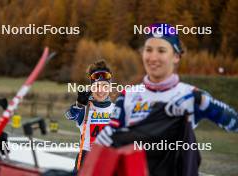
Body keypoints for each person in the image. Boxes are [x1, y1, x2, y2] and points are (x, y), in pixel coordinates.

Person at [95, 23, 238, 175]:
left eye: (161, 50)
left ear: (176, 56)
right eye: (148, 50)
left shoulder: (190, 94)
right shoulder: (127, 95)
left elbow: (234, 122)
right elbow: (108, 140)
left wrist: (203, 102)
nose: (153, 57)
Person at [64, 60, 115, 173]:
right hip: (86, 159)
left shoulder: (116, 109)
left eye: (105, 86)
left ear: (110, 87)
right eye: (96, 86)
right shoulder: (85, 109)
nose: (101, 90)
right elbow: (69, 115)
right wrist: (79, 104)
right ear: (91, 88)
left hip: (109, 159)